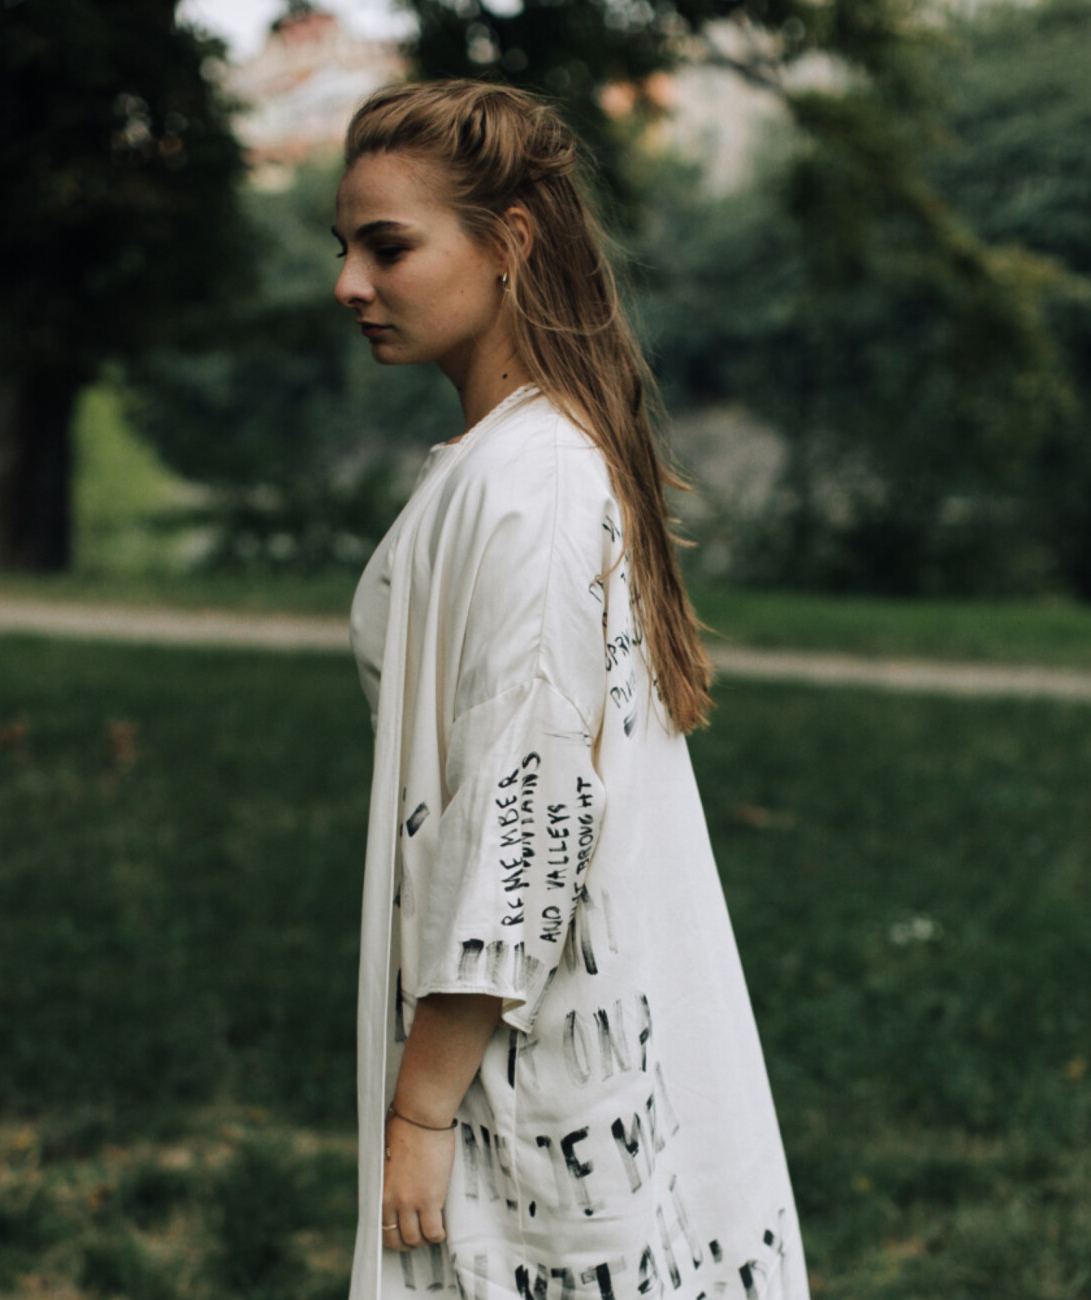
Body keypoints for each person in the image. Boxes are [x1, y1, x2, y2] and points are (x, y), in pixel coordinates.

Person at [337, 80, 809, 1300]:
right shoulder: (514, 460)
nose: (349, 284)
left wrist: (422, 1110)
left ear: (509, 243)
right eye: (344, 249)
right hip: (521, 1045)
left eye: (387, 247)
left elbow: (524, 821)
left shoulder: (534, 481)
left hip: (533, 1074)